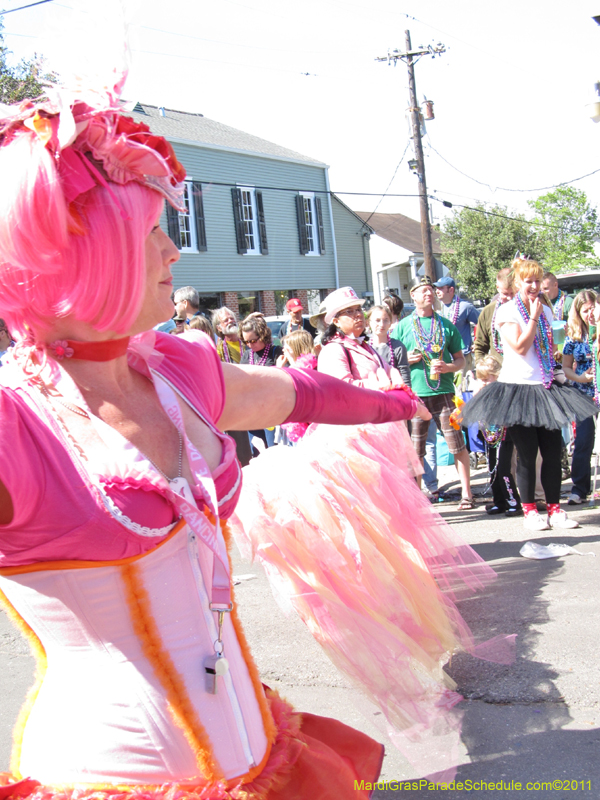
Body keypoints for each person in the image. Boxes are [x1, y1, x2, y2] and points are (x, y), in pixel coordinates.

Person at [0, 85, 437, 798]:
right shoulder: (15, 427)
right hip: (103, 773)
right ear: (86, 256)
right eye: (149, 232)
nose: (175, 246)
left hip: (262, 757)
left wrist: (392, 402)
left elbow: (301, 392)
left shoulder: (177, 371)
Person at [461, 257, 597, 531]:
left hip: (545, 387)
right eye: (529, 281)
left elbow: (548, 350)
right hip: (518, 390)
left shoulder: (546, 311)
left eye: (538, 281)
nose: (535, 286)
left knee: (552, 451)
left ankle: (555, 509)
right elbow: (521, 348)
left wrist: (557, 367)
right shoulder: (507, 312)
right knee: (526, 453)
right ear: (517, 283)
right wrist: (534, 316)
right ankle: (530, 511)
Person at [392, 276, 475, 510]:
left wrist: (448, 367)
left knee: (457, 444)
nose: (428, 294)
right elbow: (390, 360)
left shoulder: (446, 325)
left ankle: (467, 494)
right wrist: (406, 359)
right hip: (415, 396)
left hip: (444, 393)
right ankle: (417, 500)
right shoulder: (402, 327)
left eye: (430, 290)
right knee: (416, 451)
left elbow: (461, 360)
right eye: (423, 291)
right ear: (414, 297)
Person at [471, 356, 522, 517]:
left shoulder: (504, 391)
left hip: (504, 435)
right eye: (481, 379)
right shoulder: (482, 392)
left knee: (503, 469)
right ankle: (499, 501)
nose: (484, 382)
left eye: (487, 379)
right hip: (489, 435)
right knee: (492, 469)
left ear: (497, 376)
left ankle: (513, 501)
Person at [562, 290, 598, 504]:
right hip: (583, 393)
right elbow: (565, 367)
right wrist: (581, 377)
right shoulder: (573, 337)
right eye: (585, 311)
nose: (590, 314)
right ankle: (579, 488)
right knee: (583, 441)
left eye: (593, 309)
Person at [210, 307, 252, 467]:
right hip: (234, 404)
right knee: (244, 452)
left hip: (255, 397)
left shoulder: (249, 341)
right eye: (225, 320)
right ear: (219, 328)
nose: (230, 321)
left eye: (232, 318)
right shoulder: (218, 349)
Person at [240, 313, 283, 449]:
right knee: (257, 452)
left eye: (253, 340)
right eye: (246, 342)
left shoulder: (276, 352)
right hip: (252, 412)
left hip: (272, 411)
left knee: (273, 449)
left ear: (263, 335)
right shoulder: (247, 355)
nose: (250, 345)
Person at [433, 276, 480, 371]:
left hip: (461, 358)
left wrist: (478, 342)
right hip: (442, 357)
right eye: (436, 288)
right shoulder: (435, 308)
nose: (437, 291)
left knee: (462, 385)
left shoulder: (465, 307)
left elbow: (481, 323)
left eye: (441, 288)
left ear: (451, 290)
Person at [473, 268, 515, 365]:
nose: (510, 298)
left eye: (512, 293)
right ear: (497, 288)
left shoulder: (527, 309)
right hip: (498, 373)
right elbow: (480, 346)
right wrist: (482, 371)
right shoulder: (488, 311)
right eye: (505, 294)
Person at [367, 304, 411, 386]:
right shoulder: (364, 347)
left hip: (394, 393)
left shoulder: (398, 347)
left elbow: (405, 376)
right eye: (377, 320)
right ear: (369, 323)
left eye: (386, 320)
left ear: (390, 323)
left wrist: (408, 396)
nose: (381, 324)